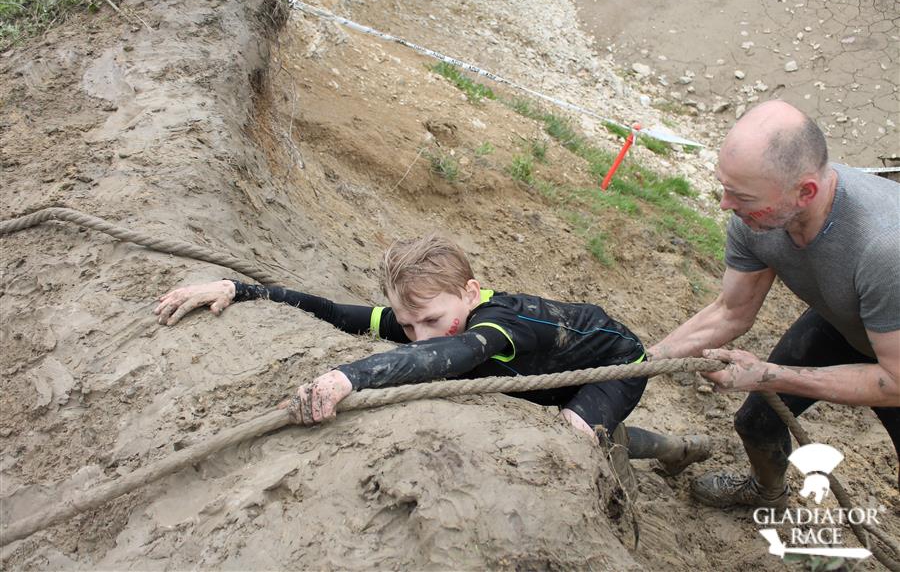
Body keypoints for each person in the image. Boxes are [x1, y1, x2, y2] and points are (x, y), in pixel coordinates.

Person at [156, 234, 710, 473]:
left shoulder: (497, 325)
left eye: (431, 320)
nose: (419, 335)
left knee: (573, 435)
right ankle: (673, 448)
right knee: (568, 417)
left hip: (612, 364)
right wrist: (239, 289)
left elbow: (447, 356)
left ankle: (666, 450)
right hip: (544, 372)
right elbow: (336, 312)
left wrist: (346, 378)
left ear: (470, 292)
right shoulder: (426, 320)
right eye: (406, 323)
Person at [648, 100, 899, 507]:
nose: (725, 204)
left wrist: (770, 376)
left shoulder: (884, 249)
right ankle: (767, 493)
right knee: (756, 422)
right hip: (848, 320)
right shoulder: (754, 217)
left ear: (805, 192)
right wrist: (645, 360)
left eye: (740, 195)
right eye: (725, 187)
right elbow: (731, 311)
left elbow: (895, 381)